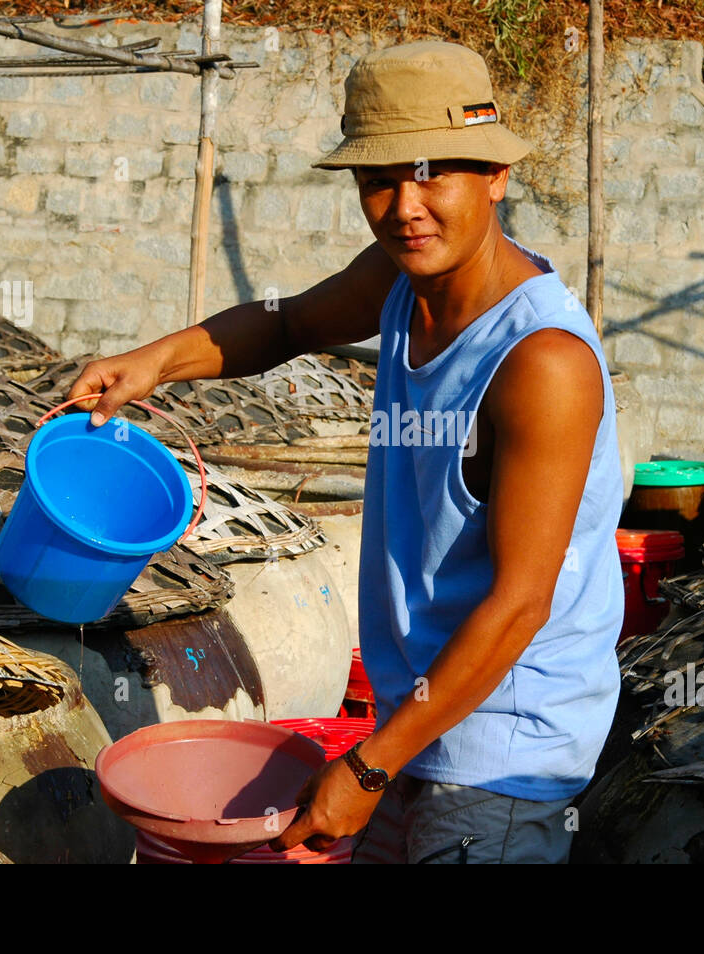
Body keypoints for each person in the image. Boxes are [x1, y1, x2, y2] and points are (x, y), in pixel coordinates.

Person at [67, 40, 623, 864]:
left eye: (432, 172)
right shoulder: (400, 281)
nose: (405, 206)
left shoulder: (542, 363)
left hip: (502, 754)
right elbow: (286, 323)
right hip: (418, 722)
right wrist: (152, 363)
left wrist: (364, 769)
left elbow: (519, 607)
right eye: (379, 179)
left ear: (496, 175)